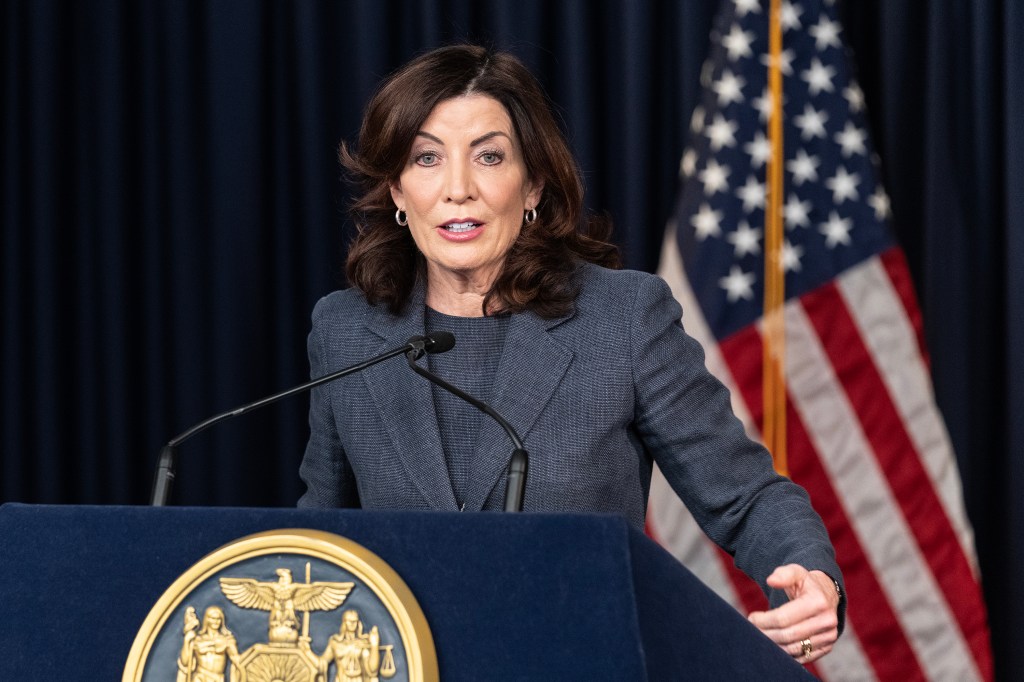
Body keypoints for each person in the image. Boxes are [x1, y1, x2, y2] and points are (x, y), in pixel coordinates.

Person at [298, 44, 844, 664]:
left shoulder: (621, 319)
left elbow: (745, 495)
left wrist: (811, 578)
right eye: (427, 158)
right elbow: (324, 531)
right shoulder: (347, 330)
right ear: (397, 188)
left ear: (532, 183)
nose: (457, 189)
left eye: (489, 157)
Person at [177, 605, 241, 682]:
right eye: (213, 618)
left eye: (218, 619)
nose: (216, 621)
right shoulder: (198, 640)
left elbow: (237, 661)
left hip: (217, 679)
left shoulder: (227, 640)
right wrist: (186, 640)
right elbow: (185, 663)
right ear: (207, 619)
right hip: (199, 677)